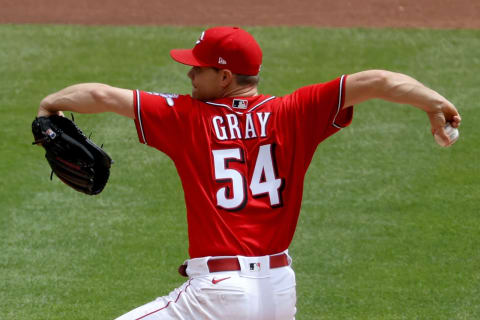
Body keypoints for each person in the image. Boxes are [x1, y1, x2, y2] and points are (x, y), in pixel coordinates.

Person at [37, 26, 461, 320]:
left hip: (218, 294)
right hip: (278, 291)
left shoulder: (186, 117)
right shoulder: (294, 112)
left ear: (224, 76)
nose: (189, 73)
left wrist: (48, 106)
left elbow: (101, 95)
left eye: (198, 68)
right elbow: (379, 80)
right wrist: (433, 103)